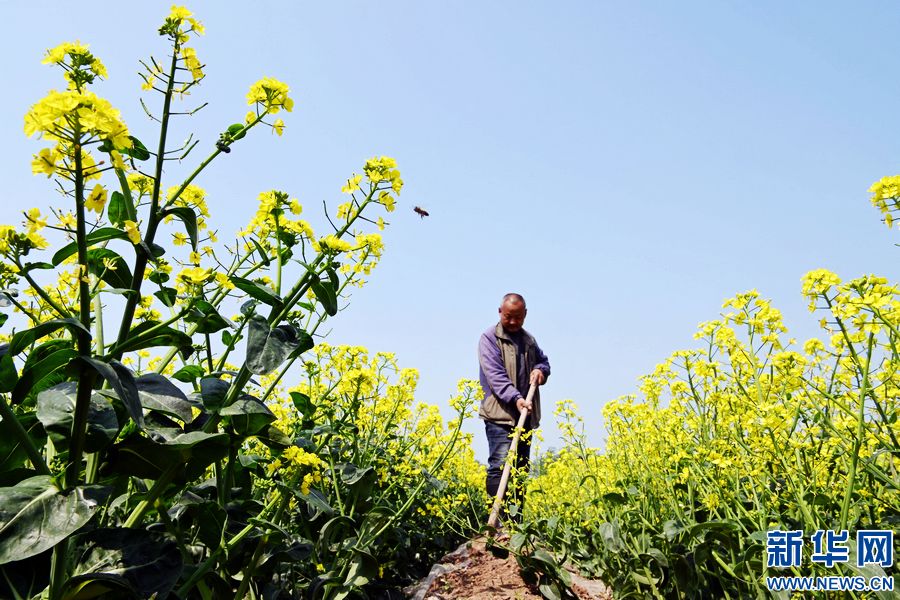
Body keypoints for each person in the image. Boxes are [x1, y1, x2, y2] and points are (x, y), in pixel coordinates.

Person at [478, 292, 550, 522]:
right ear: (500, 312)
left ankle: (515, 523)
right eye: (508, 316)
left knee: (519, 470)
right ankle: (496, 520)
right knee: (500, 466)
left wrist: (541, 371)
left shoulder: (528, 340)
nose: (512, 321)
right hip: (500, 415)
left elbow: (543, 361)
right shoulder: (489, 338)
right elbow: (496, 377)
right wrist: (516, 398)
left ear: (525, 315)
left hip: (524, 417)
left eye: (517, 317)